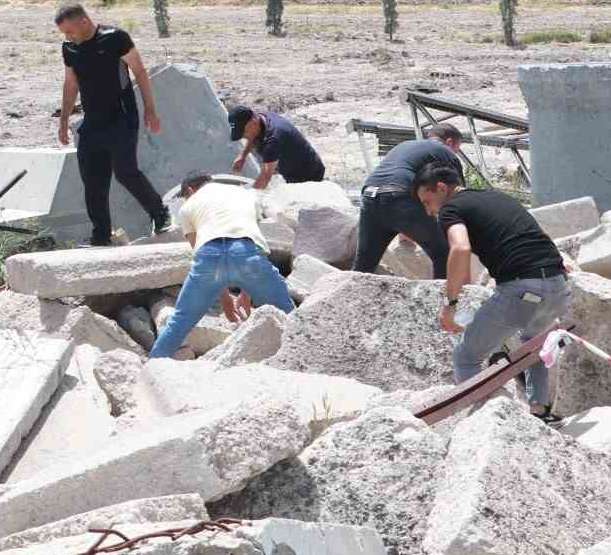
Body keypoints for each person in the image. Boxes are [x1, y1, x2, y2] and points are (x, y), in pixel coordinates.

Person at [413, 161, 569, 421]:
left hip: (521, 287)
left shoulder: (451, 208)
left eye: (427, 201)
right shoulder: (496, 195)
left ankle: (484, 425)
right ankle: (540, 412)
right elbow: (536, 234)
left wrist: (450, 304)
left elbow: (460, 249)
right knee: (533, 345)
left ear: (441, 188)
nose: (429, 212)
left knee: (466, 355)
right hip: (558, 285)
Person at [55, 3, 170, 246]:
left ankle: (160, 213)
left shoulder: (115, 38)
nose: (68, 37)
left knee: (125, 171)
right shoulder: (69, 49)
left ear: (83, 22)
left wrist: (151, 109)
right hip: (92, 123)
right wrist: (64, 120)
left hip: (122, 118)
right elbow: (70, 84)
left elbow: (139, 71)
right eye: (64, 34)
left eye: (70, 31)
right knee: (93, 181)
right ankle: (101, 235)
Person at [149, 172, 294, 359]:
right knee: (288, 312)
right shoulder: (245, 195)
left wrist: (225, 299)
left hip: (209, 257)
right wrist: (246, 294)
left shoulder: (187, 207)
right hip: (246, 252)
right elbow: (253, 237)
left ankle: (152, 367)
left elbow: (200, 252)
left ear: (190, 190)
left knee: (179, 322)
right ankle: (309, 358)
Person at [352, 123, 464, 279]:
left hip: (370, 196)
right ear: (450, 142)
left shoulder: (406, 146)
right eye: (457, 149)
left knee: (363, 266)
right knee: (443, 253)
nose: (456, 153)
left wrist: (406, 228)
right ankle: (441, 301)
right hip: (399, 198)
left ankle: (344, 301)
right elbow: (457, 198)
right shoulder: (446, 153)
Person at [227, 105, 326, 189]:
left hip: (307, 174)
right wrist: (243, 155)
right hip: (292, 167)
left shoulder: (273, 139)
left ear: (253, 121)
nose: (245, 136)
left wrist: (247, 198)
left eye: (244, 132)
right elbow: (253, 137)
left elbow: (265, 178)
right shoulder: (262, 117)